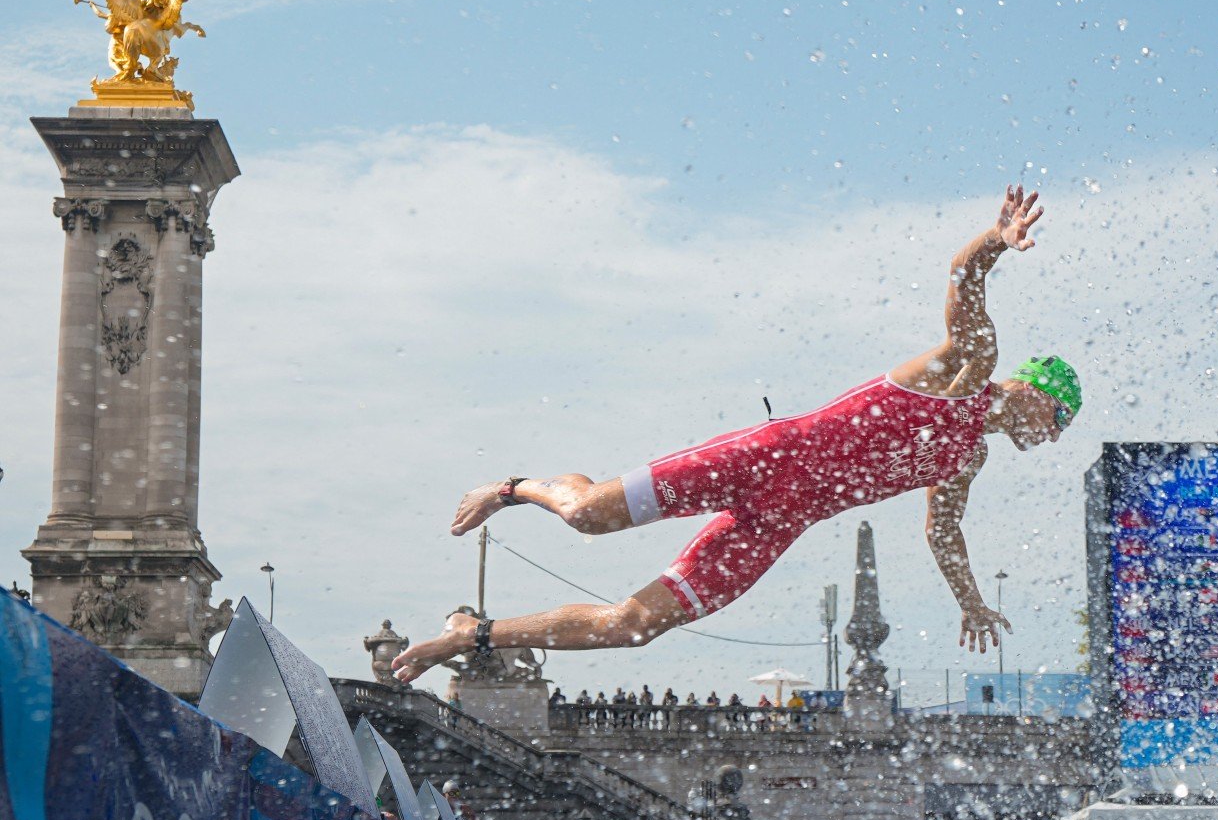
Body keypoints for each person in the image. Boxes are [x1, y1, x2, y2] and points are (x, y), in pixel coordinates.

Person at [391, 187, 1081, 684]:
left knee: (632, 628)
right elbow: (964, 278)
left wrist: (971, 602)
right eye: (1059, 419)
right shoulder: (969, 369)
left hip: (782, 521)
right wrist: (999, 239)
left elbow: (943, 533)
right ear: (1035, 389)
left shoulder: (969, 454)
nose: (1053, 437)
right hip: (760, 460)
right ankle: (514, 487)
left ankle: (466, 637)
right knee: (586, 516)